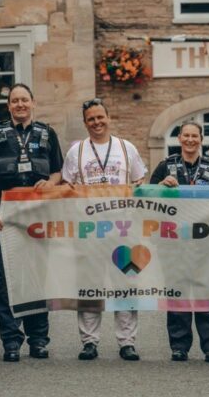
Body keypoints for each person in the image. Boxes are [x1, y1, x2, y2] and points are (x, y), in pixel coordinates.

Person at [0, 83, 63, 362]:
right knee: (6, 280)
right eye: (15, 100)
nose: (20, 104)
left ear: (33, 103)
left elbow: (59, 172)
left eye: (24, 100)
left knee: (37, 278)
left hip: (38, 218)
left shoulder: (47, 134)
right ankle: (11, 341)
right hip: (5, 219)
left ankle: (38, 340)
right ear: (9, 105)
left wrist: (50, 183)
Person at [62, 98, 147, 362]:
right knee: (90, 285)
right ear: (85, 123)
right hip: (90, 229)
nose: (97, 122)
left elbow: (139, 181)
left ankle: (127, 342)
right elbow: (66, 187)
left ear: (108, 118)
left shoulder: (126, 148)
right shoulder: (75, 152)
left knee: (125, 283)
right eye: (91, 119)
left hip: (123, 228)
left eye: (100, 117)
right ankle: (89, 341)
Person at [150, 121, 209, 363]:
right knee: (178, 292)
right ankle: (179, 345)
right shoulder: (166, 166)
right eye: (186, 136)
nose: (190, 140)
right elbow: (148, 197)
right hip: (174, 242)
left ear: (201, 139)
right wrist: (162, 186)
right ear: (180, 139)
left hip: (206, 242)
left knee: (207, 292)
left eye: (195, 136)